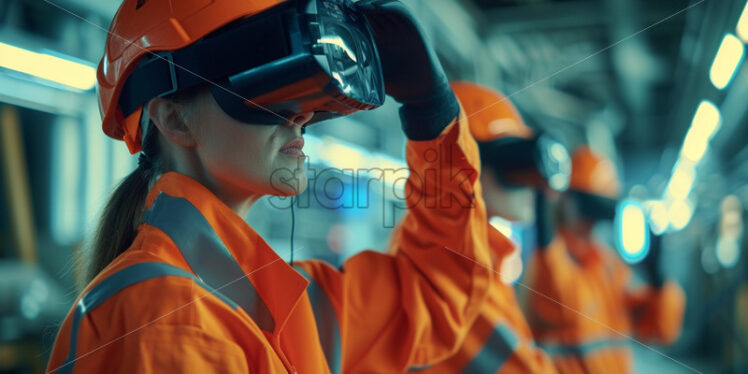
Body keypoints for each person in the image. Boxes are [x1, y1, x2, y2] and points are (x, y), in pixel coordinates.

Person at [46, 1, 497, 372]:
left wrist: (431, 113)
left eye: (299, 82)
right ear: (174, 117)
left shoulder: (279, 302)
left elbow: (435, 288)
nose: (301, 115)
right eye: (268, 85)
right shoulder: (172, 316)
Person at [397, 81, 565, 373]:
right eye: (516, 169)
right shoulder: (454, 269)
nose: (531, 186)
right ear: (460, 166)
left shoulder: (481, 259)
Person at [525, 146, 686, 374]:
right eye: (588, 201)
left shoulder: (609, 266)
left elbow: (659, 331)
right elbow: (561, 307)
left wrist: (659, 280)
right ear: (565, 199)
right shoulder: (544, 261)